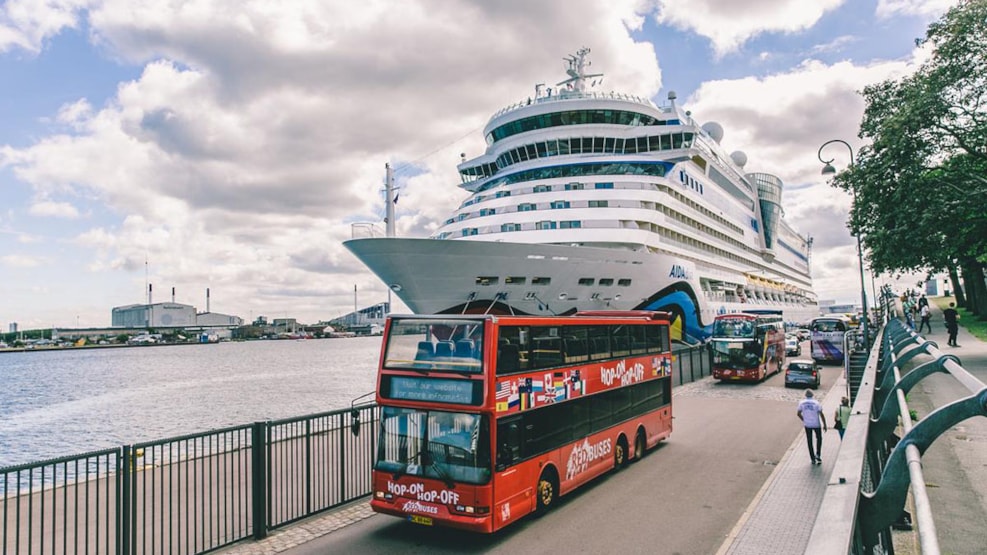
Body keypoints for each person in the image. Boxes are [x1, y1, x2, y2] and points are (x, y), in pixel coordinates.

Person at [797, 389, 828, 464]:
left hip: (807, 424)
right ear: (812, 395)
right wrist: (824, 424)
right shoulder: (816, 403)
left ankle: (812, 458)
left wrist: (804, 420)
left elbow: (798, 413)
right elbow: (821, 414)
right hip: (816, 424)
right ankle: (818, 454)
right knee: (819, 438)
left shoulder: (802, 403)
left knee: (809, 441)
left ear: (805, 395)